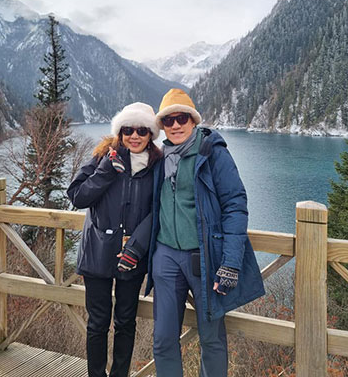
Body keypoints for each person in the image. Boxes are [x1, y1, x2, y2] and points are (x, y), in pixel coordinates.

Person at [144, 88, 265, 376]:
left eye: (181, 117)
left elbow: (235, 206)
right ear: (162, 125)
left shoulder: (213, 154)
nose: (175, 125)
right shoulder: (160, 158)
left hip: (205, 258)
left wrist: (231, 263)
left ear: (193, 120)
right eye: (168, 120)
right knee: (162, 339)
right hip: (165, 258)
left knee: (211, 338)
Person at [67, 102, 163, 377]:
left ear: (150, 135)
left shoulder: (157, 166)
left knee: (125, 322)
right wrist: (106, 171)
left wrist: (137, 247)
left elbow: (159, 209)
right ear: (119, 132)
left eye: (142, 130)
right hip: (97, 252)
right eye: (128, 129)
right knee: (97, 323)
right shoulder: (102, 158)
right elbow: (77, 196)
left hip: (132, 257)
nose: (134, 135)